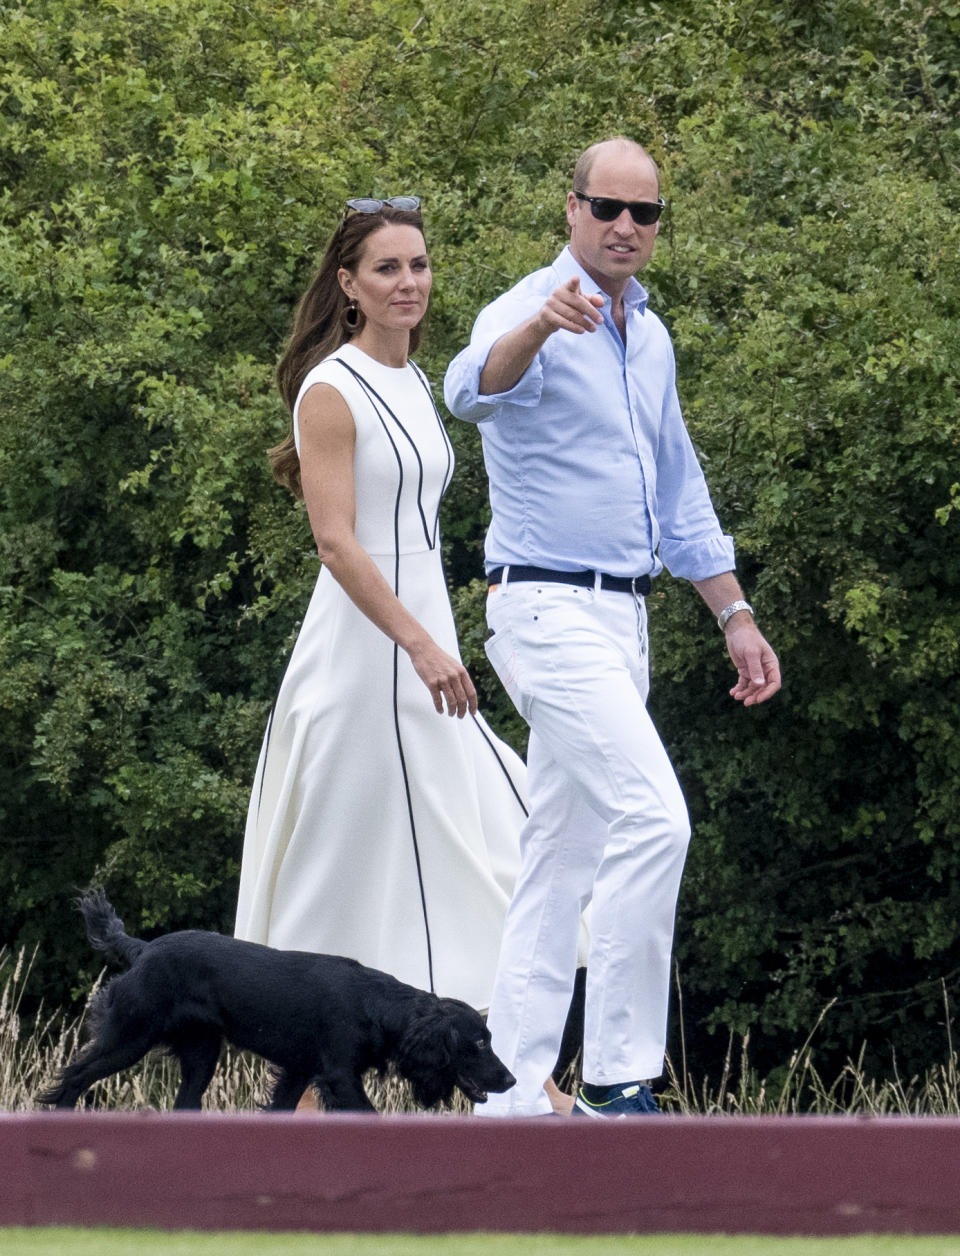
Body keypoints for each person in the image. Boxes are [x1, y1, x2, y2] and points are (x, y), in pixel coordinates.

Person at [443, 138, 781, 1118]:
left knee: (563, 853)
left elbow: (681, 493)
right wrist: (543, 330)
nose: (626, 227)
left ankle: (504, 1095)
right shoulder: (529, 309)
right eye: (607, 208)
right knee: (656, 816)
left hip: (624, 617)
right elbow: (470, 387)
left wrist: (735, 613)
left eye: (646, 213)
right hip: (543, 607)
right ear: (571, 209)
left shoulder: (653, 336)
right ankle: (621, 1078)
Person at [234, 197, 576, 1113]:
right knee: (342, 881)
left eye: (418, 266)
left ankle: (530, 1086)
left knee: (501, 843)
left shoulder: (417, 383)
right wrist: (421, 643)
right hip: (364, 665)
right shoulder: (330, 391)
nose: (409, 284)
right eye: (387, 268)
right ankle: (307, 1136)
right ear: (348, 285)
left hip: (427, 658)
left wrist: (439, 640)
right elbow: (339, 544)